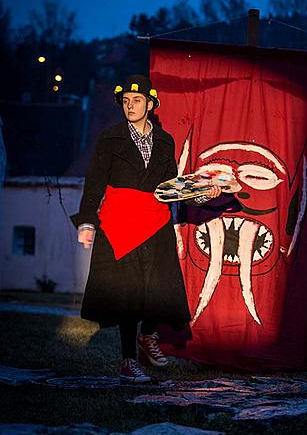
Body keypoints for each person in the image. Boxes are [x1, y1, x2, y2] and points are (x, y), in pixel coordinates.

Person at [71, 74, 221, 383]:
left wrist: (202, 193)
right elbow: (95, 181)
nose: (130, 105)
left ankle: (147, 336)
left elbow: (172, 185)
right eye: (125, 101)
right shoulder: (110, 137)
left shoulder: (165, 139)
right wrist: (87, 220)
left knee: (158, 286)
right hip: (120, 222)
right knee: (127, 293)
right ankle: (128, 361)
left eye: (137, 100)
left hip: (155, 220)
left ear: (151, 104)